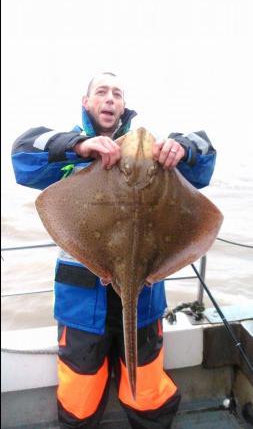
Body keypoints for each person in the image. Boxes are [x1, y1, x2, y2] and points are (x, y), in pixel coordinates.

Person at [12, 72, 217, 429]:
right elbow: (22, 153)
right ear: (86, 102)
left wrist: (184, 145)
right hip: (81, 301)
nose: (110, 98)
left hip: (146, 295)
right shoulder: (67, 155)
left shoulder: (159, 156)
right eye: (101, 92)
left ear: (124, 105)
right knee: (81, 395)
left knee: (148, 392)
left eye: (117, 93)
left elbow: (205, 156)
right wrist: (77, 146)